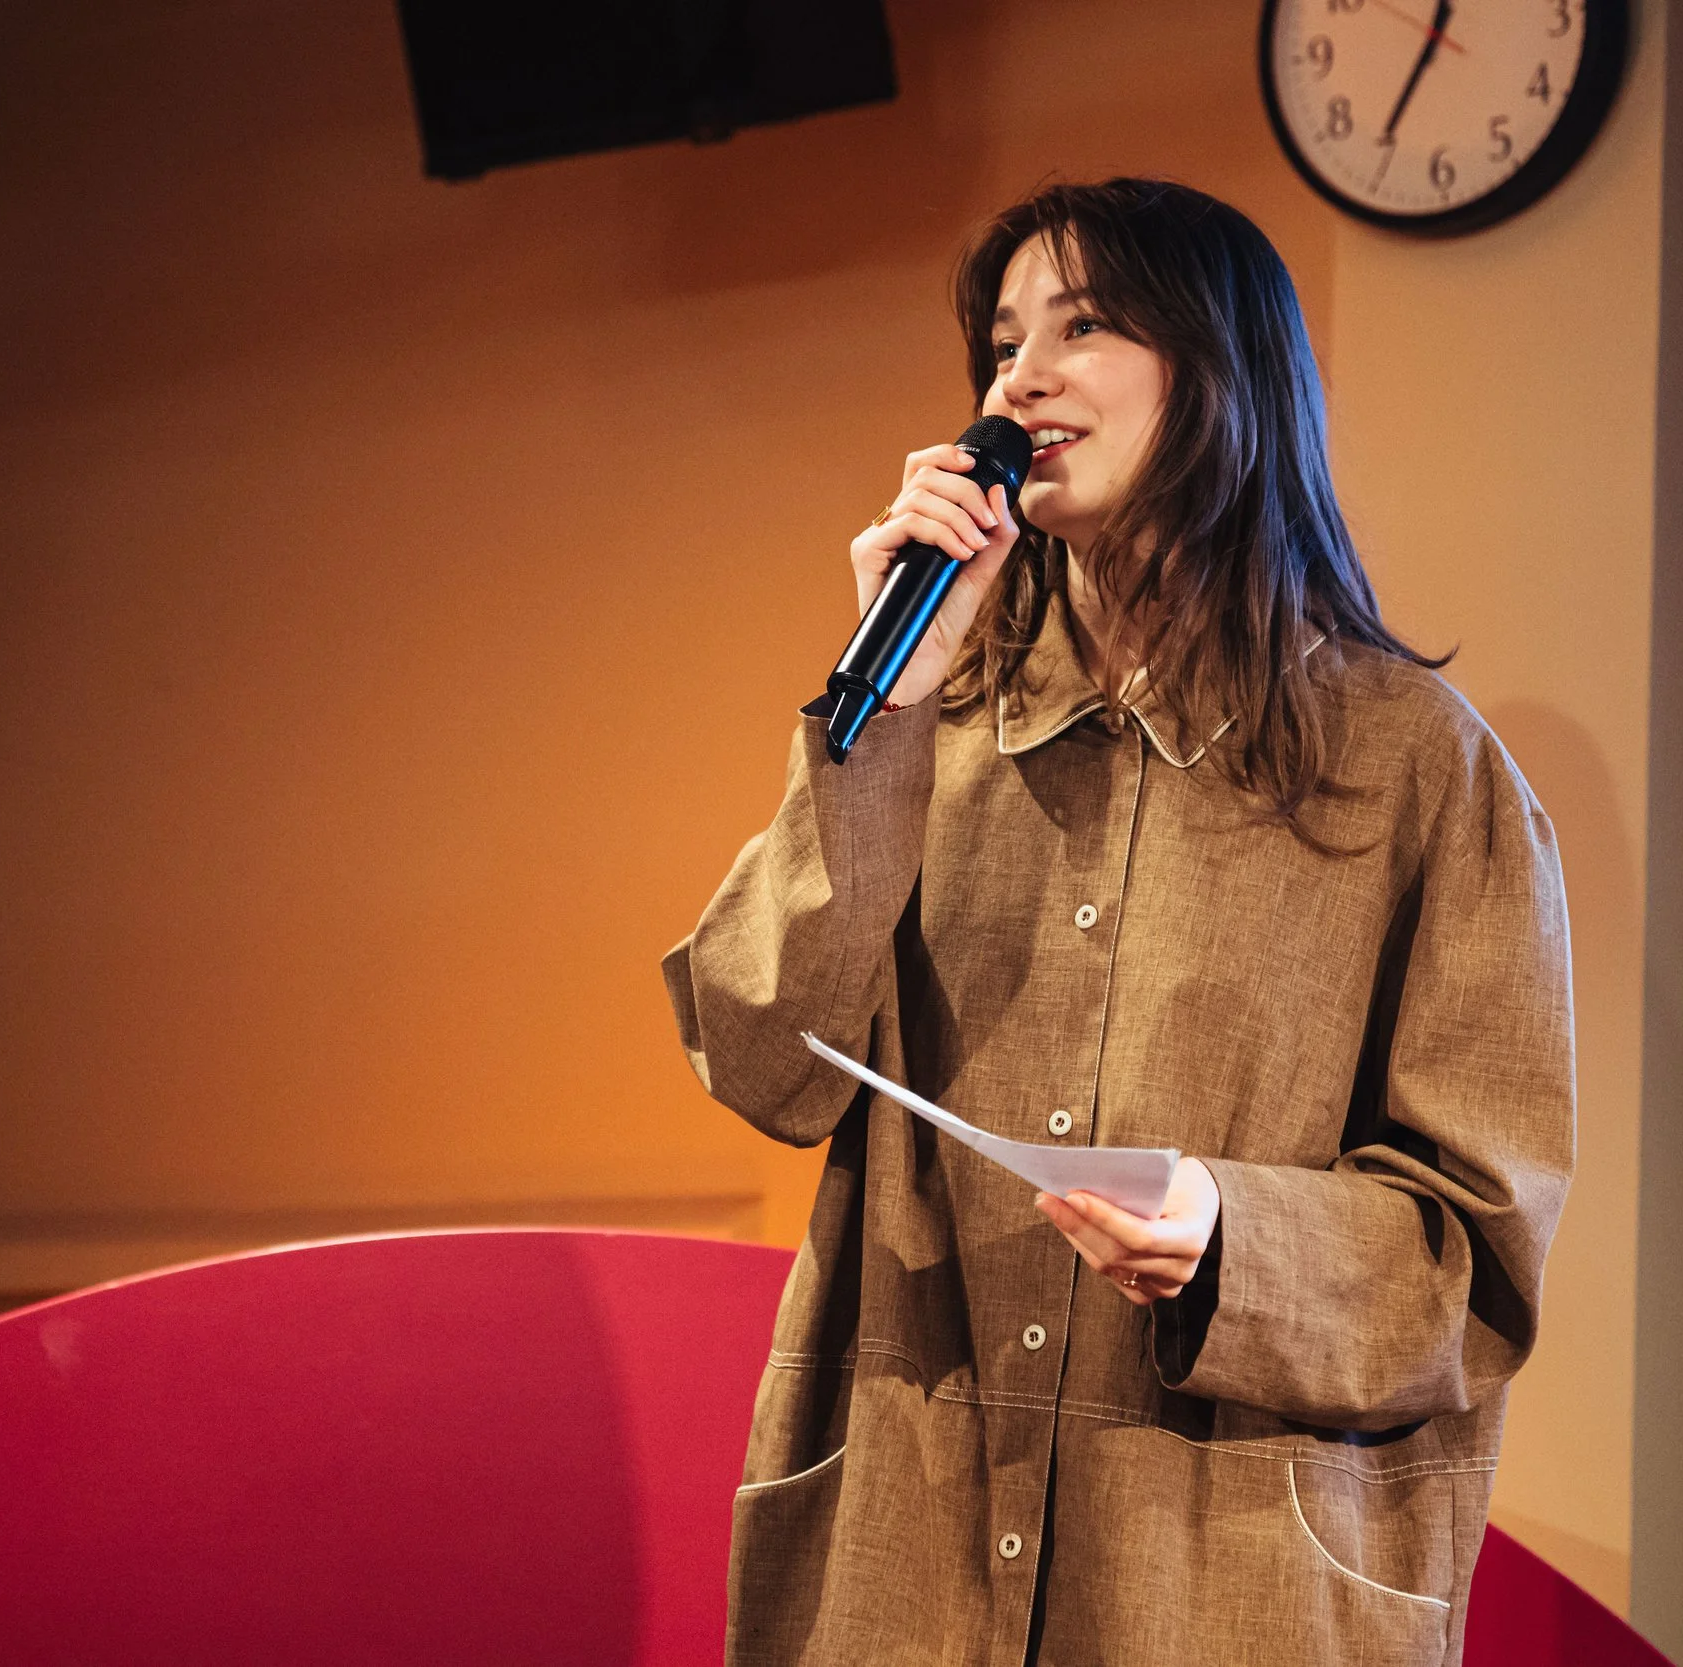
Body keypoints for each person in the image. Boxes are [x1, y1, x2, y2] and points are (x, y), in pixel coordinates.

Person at [660, 178, 1574, 1667]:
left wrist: (1237, 1235)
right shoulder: (917, 725)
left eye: (1082, 327)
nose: (1017, 379)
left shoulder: (1421, 767)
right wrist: (873, 711)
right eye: (1003, 341)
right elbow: (766, 1055)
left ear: (1220, 372)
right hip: (907, 1562)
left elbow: (1469, 1260)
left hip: (1221, 1592)